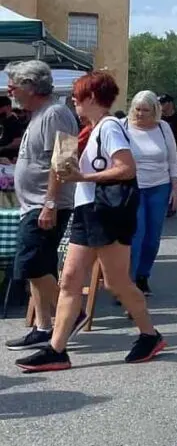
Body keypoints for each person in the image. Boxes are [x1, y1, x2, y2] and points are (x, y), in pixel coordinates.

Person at [16, 71, 165, 372]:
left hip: (104, 213)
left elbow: (126, 168)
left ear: (93, 97)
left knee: (117, 282)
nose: (73, 99)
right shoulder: (94, 128)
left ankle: (150, 334)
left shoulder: (108, 127)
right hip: (89, 212)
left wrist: (84, 176)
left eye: (78, 94)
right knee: (70, 279)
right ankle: (57, 349)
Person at [4, 61, 80, 352]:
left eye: (16, 83)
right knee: (40, 267)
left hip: (47, 204)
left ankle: (70, 314)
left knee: (30, 264)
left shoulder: (56, 114)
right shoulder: (39, 114)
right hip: (33, 204)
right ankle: (43, 327)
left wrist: (49, 203)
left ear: (33, 86)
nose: (10, 89)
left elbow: (62, 160)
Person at [125, 90, 177, 295]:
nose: (140, 114)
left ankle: (143, 275)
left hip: (160, 186)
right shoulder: (123, 127)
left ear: (154, 111)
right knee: (135, 235)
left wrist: (175, 189)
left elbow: (173, 160)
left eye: (145, 110)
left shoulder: (163, 128)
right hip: (133, 187)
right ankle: (127, 282)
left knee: (153, 237)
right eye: (137, 109)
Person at [0, 93, 26, 162]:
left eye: (1, 107)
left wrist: (2, 148)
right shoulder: (3, 121)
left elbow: (17, 143)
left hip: (9, 159)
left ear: (8, 107)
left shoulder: (15, 122)